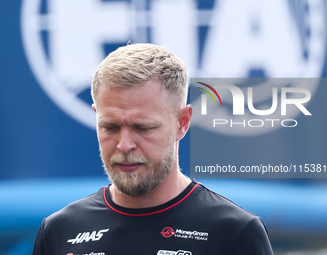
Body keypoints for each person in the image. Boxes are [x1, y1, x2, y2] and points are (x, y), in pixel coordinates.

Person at [32, 43, 273, 255]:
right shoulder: (59, 231)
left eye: (143, 127)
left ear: (182, 123)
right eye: (110, 126)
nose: (124, 145)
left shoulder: (234, 232)